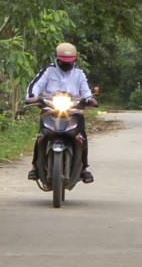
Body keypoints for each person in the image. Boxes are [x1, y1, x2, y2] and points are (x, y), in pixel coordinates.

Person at [27, 42, 95, 183]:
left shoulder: (79, 74)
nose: (66, 65)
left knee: (81, 137)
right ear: (57, 59)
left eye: (69, 62)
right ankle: (34, 166)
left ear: (75, 60)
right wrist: (32, 97)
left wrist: (90, 99)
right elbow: (35, 86)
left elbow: (86, 92)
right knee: (42, 135)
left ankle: (84, 168)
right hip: (50, 109)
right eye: (63, 62)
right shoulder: (48, 71)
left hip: (74, 111)